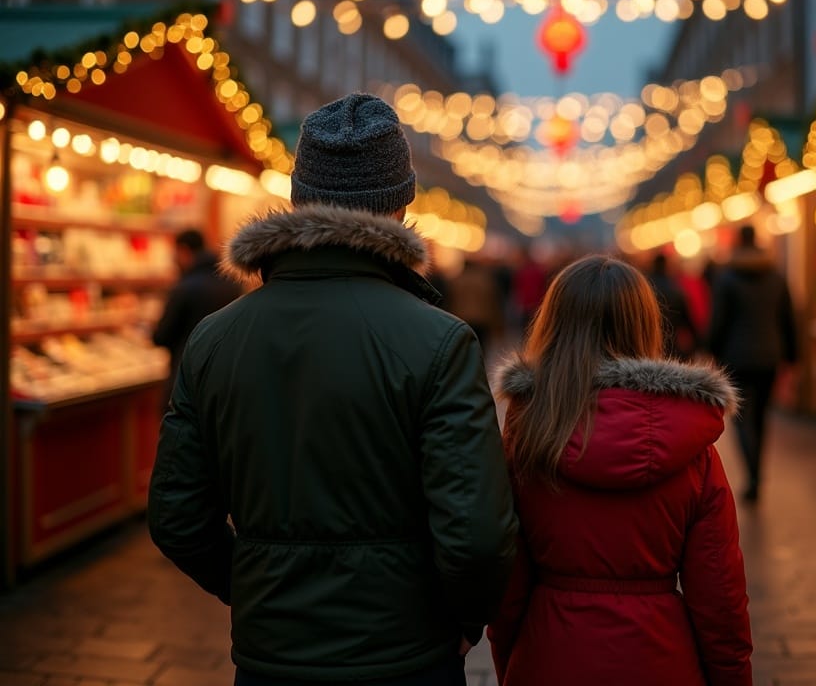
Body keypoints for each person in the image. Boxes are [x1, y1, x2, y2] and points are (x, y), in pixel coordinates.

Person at [148, 93, 518, 686]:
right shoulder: (440, 341)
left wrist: (255, 587)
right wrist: (460, 619)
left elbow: (176, 517)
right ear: (401, 205)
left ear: (299, 198)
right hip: (406, 656)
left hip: (271, 656)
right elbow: (475, 536)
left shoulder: (216, 338)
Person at [487, 255, 752, 686]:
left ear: (553, 326)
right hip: (661, 659)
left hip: (549, 655)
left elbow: (507, 580)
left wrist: (513, 661)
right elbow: (719, 595)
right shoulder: (694, 449)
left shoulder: (526, 436)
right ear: (645, 325)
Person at [708, 224, 797, 503]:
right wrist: (793, 355)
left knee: (741, 418)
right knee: (761, 417)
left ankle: (753, 474)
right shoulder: (776, 277)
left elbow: (718, 321)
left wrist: (712, 351)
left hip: (736, 357)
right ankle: (758, 471)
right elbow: (788, 319)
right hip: (769, 356)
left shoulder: (727, 278)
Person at [151, 228, 241, 405]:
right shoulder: (231, 284)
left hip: (187, 375)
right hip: (227, 375)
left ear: (184, 250)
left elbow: (162, 336)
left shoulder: (185, 287)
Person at [646, 252, 700, 359]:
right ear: (667, 267)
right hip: (673, 343)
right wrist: (698, 343)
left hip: (648, 344)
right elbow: (688, 320)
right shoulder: (676, 290)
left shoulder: (644, 290)